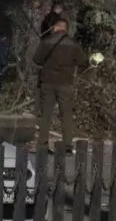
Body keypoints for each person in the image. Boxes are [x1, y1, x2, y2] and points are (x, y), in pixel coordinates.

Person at [33, 17, 88, 148]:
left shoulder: (46, 42)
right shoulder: (73, 44)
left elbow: (37, 60)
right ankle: (68, 144)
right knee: (67, 115)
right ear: (66, 28)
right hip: (65, 83)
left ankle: (42, 143)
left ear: (55, 27)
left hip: (47, 82)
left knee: (46, 113)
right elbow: (83, 62)